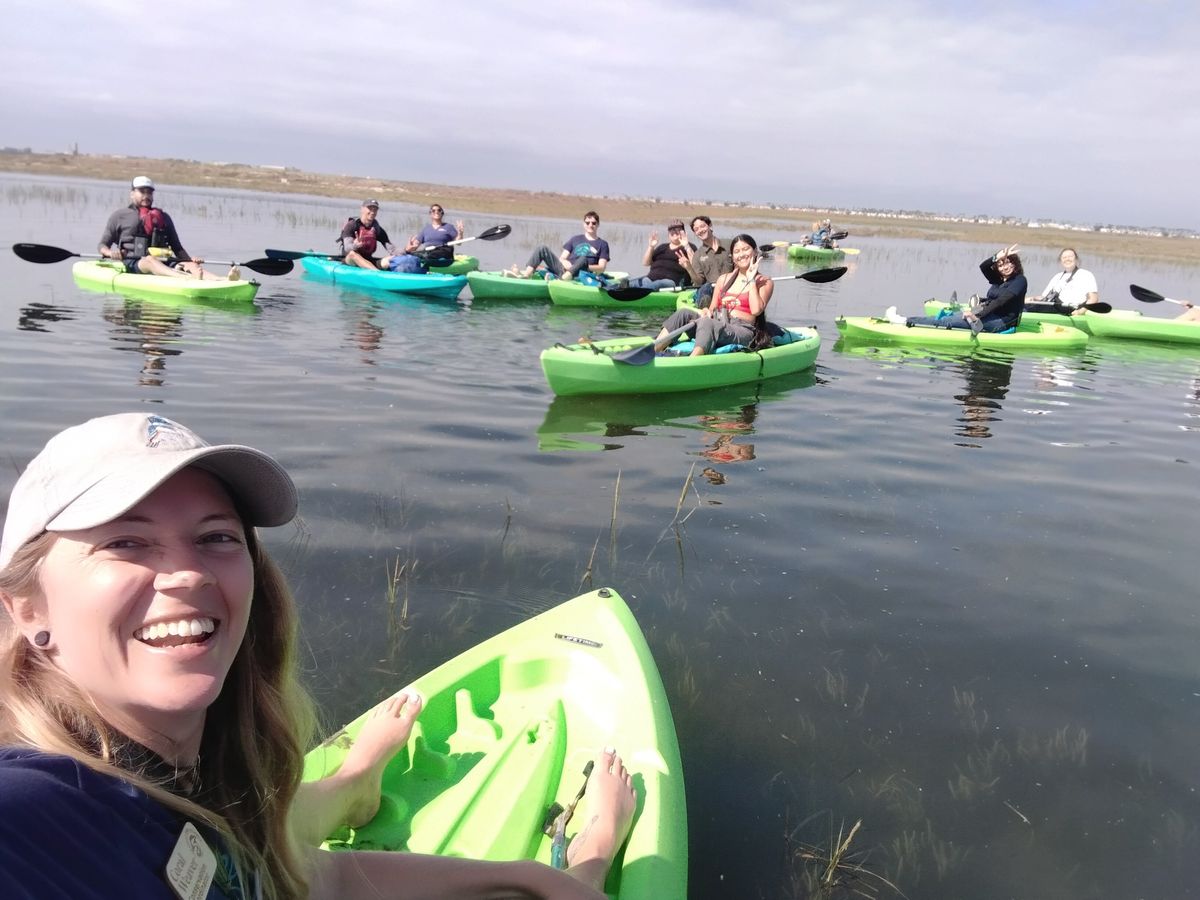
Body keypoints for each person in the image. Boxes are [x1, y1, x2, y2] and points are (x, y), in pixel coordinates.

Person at [0, 413, 637, 899]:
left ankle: (355, 782)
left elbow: (288, 875)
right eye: (126, 542)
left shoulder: (191, 772)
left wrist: (529, 875)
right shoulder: (39, 815)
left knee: (269, 833)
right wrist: (586, 864)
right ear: (28, 609)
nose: (188, 573)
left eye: (216, 536)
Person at [652, 233, 774, 356]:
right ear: (732, 257)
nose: (741, 254)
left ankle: (692, 362)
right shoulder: (723, 279)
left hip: (742, 330)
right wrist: (706, 311)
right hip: (716, 322)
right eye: (737, 251)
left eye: (746, 249)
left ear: (755, 252)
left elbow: (756, 311)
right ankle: (653, 351)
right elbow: (712, 309)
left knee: (707, 323)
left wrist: (751, 279)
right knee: (683, 313)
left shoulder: (763, 281)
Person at [98, 177, 228, 281]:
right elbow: (102, 245)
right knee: (150, 260)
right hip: (134, 263)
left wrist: (190, 261)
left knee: (190, 265)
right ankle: (187, 279)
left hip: (165, 262)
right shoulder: (119, 216)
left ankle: (221, 280)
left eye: (149, 192)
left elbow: (177, 248)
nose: (146, 195)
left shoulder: (164, 217)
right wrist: (110, 253)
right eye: (142, 191)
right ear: (132, 194)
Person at [885, 244, 1026, 333]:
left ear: (1015, 264)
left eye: (1007, 263)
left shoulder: (1020, 281)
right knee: (948, 318)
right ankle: (908, 320)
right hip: (987, 314)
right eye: (1001, 265)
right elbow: (983, 266)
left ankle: (902, 321)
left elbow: (1000, 301)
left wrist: (976, 315)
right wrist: (996, 257)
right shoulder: (999, 279)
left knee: (947, 322)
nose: (1004, 267)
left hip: (1001, 322)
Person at [505, 212, 610, 281]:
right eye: (587, 223)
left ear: (598, 224)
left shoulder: (602, 244)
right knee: (542, 248)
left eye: (593, 223)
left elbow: (601, 268)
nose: (590, 225)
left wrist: (579, 267)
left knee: (583, 259)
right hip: (563, 269)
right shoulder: (575, 239)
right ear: (584, 224)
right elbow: (562, 258)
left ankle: (562, 280)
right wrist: (566, 263)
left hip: (582, 273)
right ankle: (527, 275)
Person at [615, 220, 695, 292]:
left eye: (678, 230)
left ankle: (637, 292)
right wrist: (651, 247)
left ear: (683, 232)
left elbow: (696, 265)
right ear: (668, 234)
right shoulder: (662, 247)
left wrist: (686, 246)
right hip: (650, 278)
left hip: (671, 282)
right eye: (672, 230)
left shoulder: (689, 247)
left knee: (656, 284)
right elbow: (645, 263)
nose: (675, 232)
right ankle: (616, 290)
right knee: (628, 283)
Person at [340, 200, 418, 270]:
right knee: (353, 254)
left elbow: (392, 250)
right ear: (362, 209)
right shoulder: (352, 225)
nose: (373, 212)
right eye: (370, 208)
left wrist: (406, 250)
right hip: (350, 261)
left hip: (368, 261)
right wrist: (355, 245)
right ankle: (377, 274)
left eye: (375, 209)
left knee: (393, 259)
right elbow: (347, 248)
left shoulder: (377, 229)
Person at [680, 215, 732, 309]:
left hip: (732, 286)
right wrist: (688, 267)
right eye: (696, 229)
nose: (700, 230)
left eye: (702, 226)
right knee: (705, 288)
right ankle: (706, 313)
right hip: (711, 291)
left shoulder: (730, 244)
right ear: (695, 233)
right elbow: (699, 282)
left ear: (710, 226)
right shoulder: (698, 255)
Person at [1026, 248, 1100, 314]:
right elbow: (1045, 297)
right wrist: (1030, 299)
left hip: (1070, 309)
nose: (1067, 259)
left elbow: (1093, 298)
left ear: (1076, 259)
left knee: (1025, 310)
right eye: (1064, 257)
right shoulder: (1057, 276)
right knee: (1023, 306)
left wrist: (1080, 311)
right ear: (1061, 261)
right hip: (1052, 306)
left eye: (1070, 256)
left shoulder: (1085, 274)